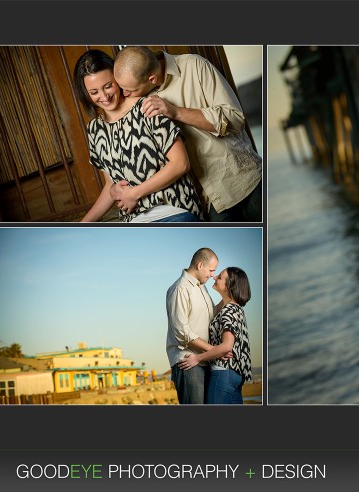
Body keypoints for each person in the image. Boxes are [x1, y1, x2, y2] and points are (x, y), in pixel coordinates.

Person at [112, 46, 262, 222]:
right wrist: (114, 189)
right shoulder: (138, 99)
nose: (124, 94)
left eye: (129, 90)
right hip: (207, 203)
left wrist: (176, 112)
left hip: (246, 182)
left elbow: (235, 118)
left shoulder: (195, 65)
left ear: (152, 79)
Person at [72, 49, 202, 223]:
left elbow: (181, 163)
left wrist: (134, 193)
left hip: (172, 210)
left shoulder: (147, 106)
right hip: (133, 221)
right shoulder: (95, 129)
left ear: (117, 78)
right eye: (94, 92)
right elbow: (111, 185)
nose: (104, 97)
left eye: (108, 85)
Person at [178, 267, 253, 404]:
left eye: (219, 277)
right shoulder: (234, 307)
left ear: (229, 285)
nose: (214, 277)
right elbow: (214, 309)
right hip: (236, 374)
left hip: (223, 373)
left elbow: (226, 346)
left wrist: (196, 358)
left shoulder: (229, 311)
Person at [166, 248, 219, 404]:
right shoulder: (180, 288)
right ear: (200, 265)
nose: (212, 275)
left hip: (204, 360)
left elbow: (210, 314)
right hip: (188, 362)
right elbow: (181, 331)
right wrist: (213, 351)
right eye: (211, 270)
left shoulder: (201, 287)